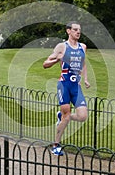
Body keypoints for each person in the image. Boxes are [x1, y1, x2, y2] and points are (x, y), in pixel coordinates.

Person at [43, 21, 90, 156]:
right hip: (64, 85)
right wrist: (57, 60)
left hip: (76, 86)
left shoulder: (83, 47)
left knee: (82, 116)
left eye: (79, 30)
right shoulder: (62, 47)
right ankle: (56, 145)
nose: (78, 32)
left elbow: (83, 63)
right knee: (66, 116)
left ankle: (62, 116)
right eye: (75, 30)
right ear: (68, 31)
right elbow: (45, 64)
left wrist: (85, 78)